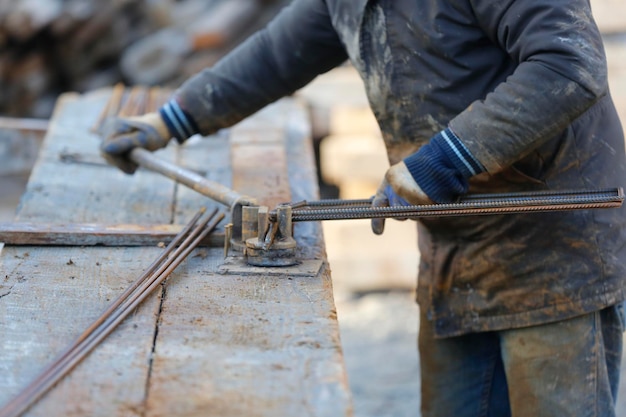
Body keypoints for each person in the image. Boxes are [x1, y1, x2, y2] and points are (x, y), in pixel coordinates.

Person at [99, 0, 626, 415]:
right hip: (458, 251)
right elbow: (275, 56)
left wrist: (443, 160)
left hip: (555, 247)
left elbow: (568, 61)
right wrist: (171, 119)